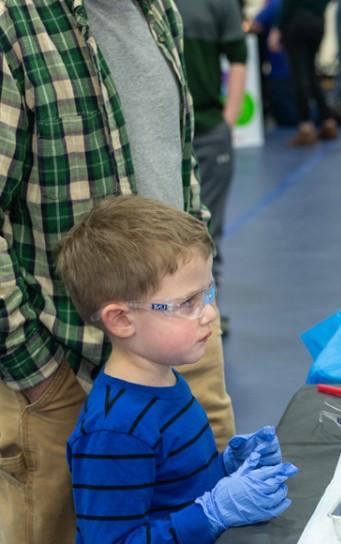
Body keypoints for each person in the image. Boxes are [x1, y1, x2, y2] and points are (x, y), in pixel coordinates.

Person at [0, 1, 235, 542]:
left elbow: (178, 159)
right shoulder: (16, 21)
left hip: (180, 339)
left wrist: (197, 301)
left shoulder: (160, 11)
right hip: (62, 360)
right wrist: (34, 371)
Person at [57, 195, 298, 543]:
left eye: (207, 294)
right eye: (187, 303)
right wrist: (213, 512)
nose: (210, 313)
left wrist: (226, 469)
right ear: (122, 320)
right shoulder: (115, 431)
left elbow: (173, 491)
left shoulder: (164, 379)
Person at [176, 0, 249, 336]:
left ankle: (207, 307)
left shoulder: (221, 4)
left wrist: (228, 120)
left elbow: (238, 58)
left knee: (208, 230)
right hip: (164, 135)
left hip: (208, 132)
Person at [270, 0, 339, 145]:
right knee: (311, 73)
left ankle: (306, 127)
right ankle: (328, 121)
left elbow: (287, 4)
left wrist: (276, 28)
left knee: (299, 76)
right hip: (317, 23)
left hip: (296, 23)